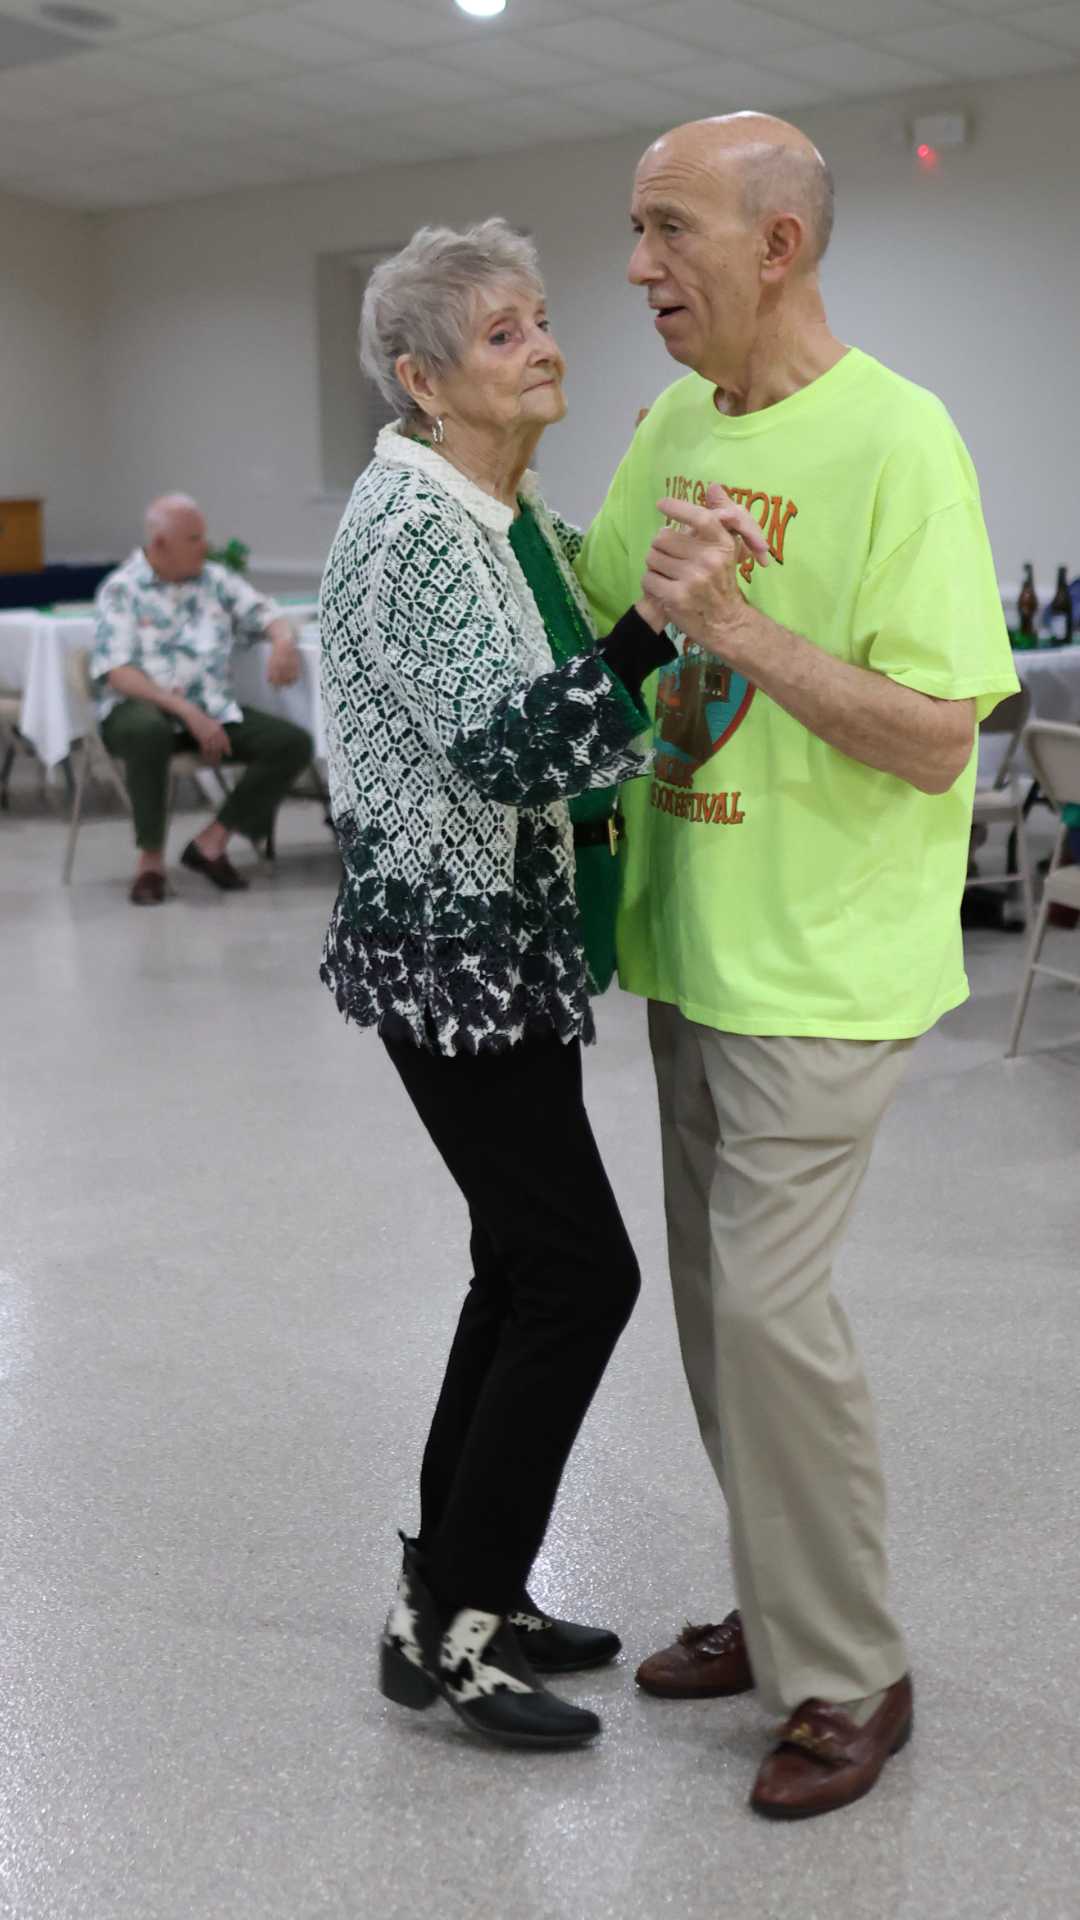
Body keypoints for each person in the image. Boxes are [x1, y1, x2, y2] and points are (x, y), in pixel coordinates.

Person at [576, 114, 1019, 1816]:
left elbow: (938, 738)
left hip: (826, 965)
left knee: (771, 1314)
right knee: (719, 1319)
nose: (637, 267)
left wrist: (743, 628)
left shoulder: (902, 438)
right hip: (691, 942)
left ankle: (848, 1670)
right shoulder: (676, 423)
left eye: (668, 229)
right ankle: (779, 1607)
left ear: (777, 246)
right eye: (634, 231)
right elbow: (599, 615)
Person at [319, 219, 751, 1752]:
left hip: (515, 937)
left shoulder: (509, 511)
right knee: (578, 1277)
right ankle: (457, 1622)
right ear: (425, 379)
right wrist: (654, 627)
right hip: (452, 948)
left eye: (542, 318)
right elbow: (515, 747)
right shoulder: (411, 527)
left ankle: (456, 1589)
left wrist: (669, 570)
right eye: (503, 334)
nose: (547, 346)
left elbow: (580, 669)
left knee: (518, 1267)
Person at [91, 494, 312, 904]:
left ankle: (211, 843)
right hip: (142, 710)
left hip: (211, 710)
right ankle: (150, 864)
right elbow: (118, 671)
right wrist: (186, 711)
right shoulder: (122, 589)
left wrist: (282, 642)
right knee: (148, 731)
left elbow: (267, 613)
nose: (204, 546)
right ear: (160, 544)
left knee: (291, 743)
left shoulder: (216, 580)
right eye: (193, 538)